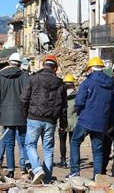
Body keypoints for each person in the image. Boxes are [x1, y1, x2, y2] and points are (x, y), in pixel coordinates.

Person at [67, 56, 114, 179]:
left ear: (91, 69)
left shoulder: (87, 83)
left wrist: (81, 113)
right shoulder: (111, 84)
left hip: (86, 120)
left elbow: (78, 102)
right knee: (97, 150)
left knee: (74, 142)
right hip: (101, 122)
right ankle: (97, 176)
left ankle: (75, 172)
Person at [21, 55, 67, 184]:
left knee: (30, 144)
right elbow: (64, 107)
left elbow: (24, 99)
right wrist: (63, 124)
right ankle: (47, 178)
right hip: (51, 120)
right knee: (48, 149)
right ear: (55, 68)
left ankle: (36, 168)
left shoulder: (33, 79)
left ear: (43, 65)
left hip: (34, 117)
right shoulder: (61, 84)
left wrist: (25, 115)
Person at [0, 52, 29, 178]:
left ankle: (10, 169)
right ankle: (25, 166)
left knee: (9, 144)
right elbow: (28, 96)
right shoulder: (25, 76)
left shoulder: (1, 76)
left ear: (9, 63)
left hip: (6, 115)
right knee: (24, 142)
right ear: (19, 64)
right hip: (22, 114)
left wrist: (0, 113)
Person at [57, 73, 78, 169]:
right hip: (74, 123)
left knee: (62, 142)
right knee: (72, 142)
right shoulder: (77, 95)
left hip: (62, 121)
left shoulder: (60, 95)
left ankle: (63, 161)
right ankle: (74, 161)